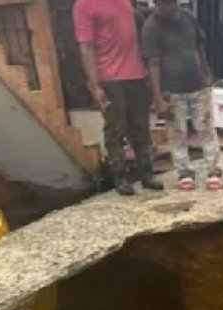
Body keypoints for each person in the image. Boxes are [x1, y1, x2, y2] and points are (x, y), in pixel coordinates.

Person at [74, 0, 162, 196]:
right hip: (109, 78)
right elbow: (86, 47)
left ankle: (147, 174)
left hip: (136, 75)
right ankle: (121, 177)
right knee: (116, 128)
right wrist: (95, 85)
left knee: (141, 127)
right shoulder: (84, 5)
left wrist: (146, 73)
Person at [142, 0, 223, 191]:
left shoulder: (189, 18)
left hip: (197, 84)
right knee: (177, 133)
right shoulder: (151, 27)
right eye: (162, 5)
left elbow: (199, 47)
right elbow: (152, 64)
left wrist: (207, 71)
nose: (167, 8)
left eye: (170, 4)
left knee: (206, 128)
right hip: (171, 90)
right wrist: (158, 98)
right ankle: (184, 173)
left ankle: (214, 170)